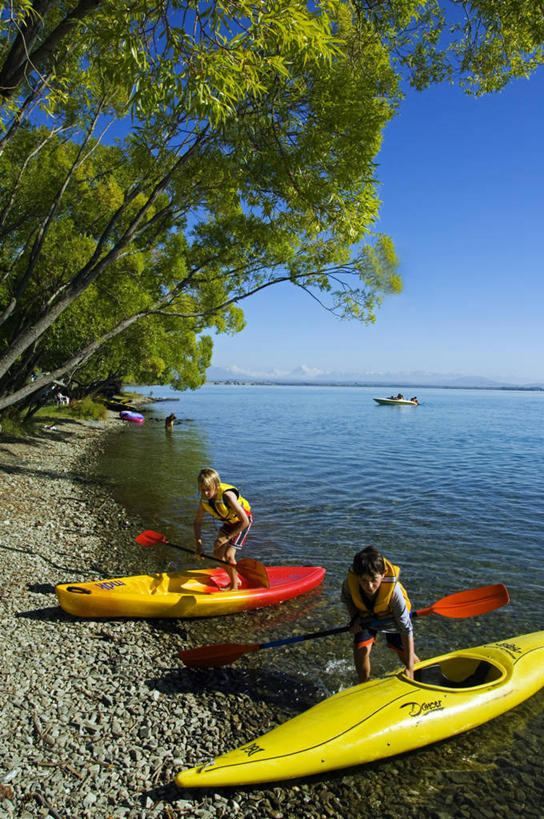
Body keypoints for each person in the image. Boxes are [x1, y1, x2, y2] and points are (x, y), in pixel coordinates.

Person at [341, 546, 419, 683]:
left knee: (405, 653)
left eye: (374, 580)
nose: (369, 586)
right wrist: (355, 618)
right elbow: (348, 599)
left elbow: (406, 629)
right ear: (357, 577)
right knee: (361, 648)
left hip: (391, 617)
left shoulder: (394, 592)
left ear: (383, 574)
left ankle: (419, 674)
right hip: (366, 616)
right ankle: (363, 684)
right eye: (364, 581)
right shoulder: (349, 583)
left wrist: (409, 668)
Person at [193, 468, 253, 591]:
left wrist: (226, 538)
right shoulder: (204, 501)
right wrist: (199, 545)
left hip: (241, 523)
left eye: (208, 489)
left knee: (229, 555)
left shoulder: (228, 496)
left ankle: (234, 587)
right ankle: (236, 579)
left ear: (217, 486)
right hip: (228, 524)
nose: (206, 493)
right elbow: (197, 523)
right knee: (217, 555)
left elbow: (245, 521)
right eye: (202, 490)